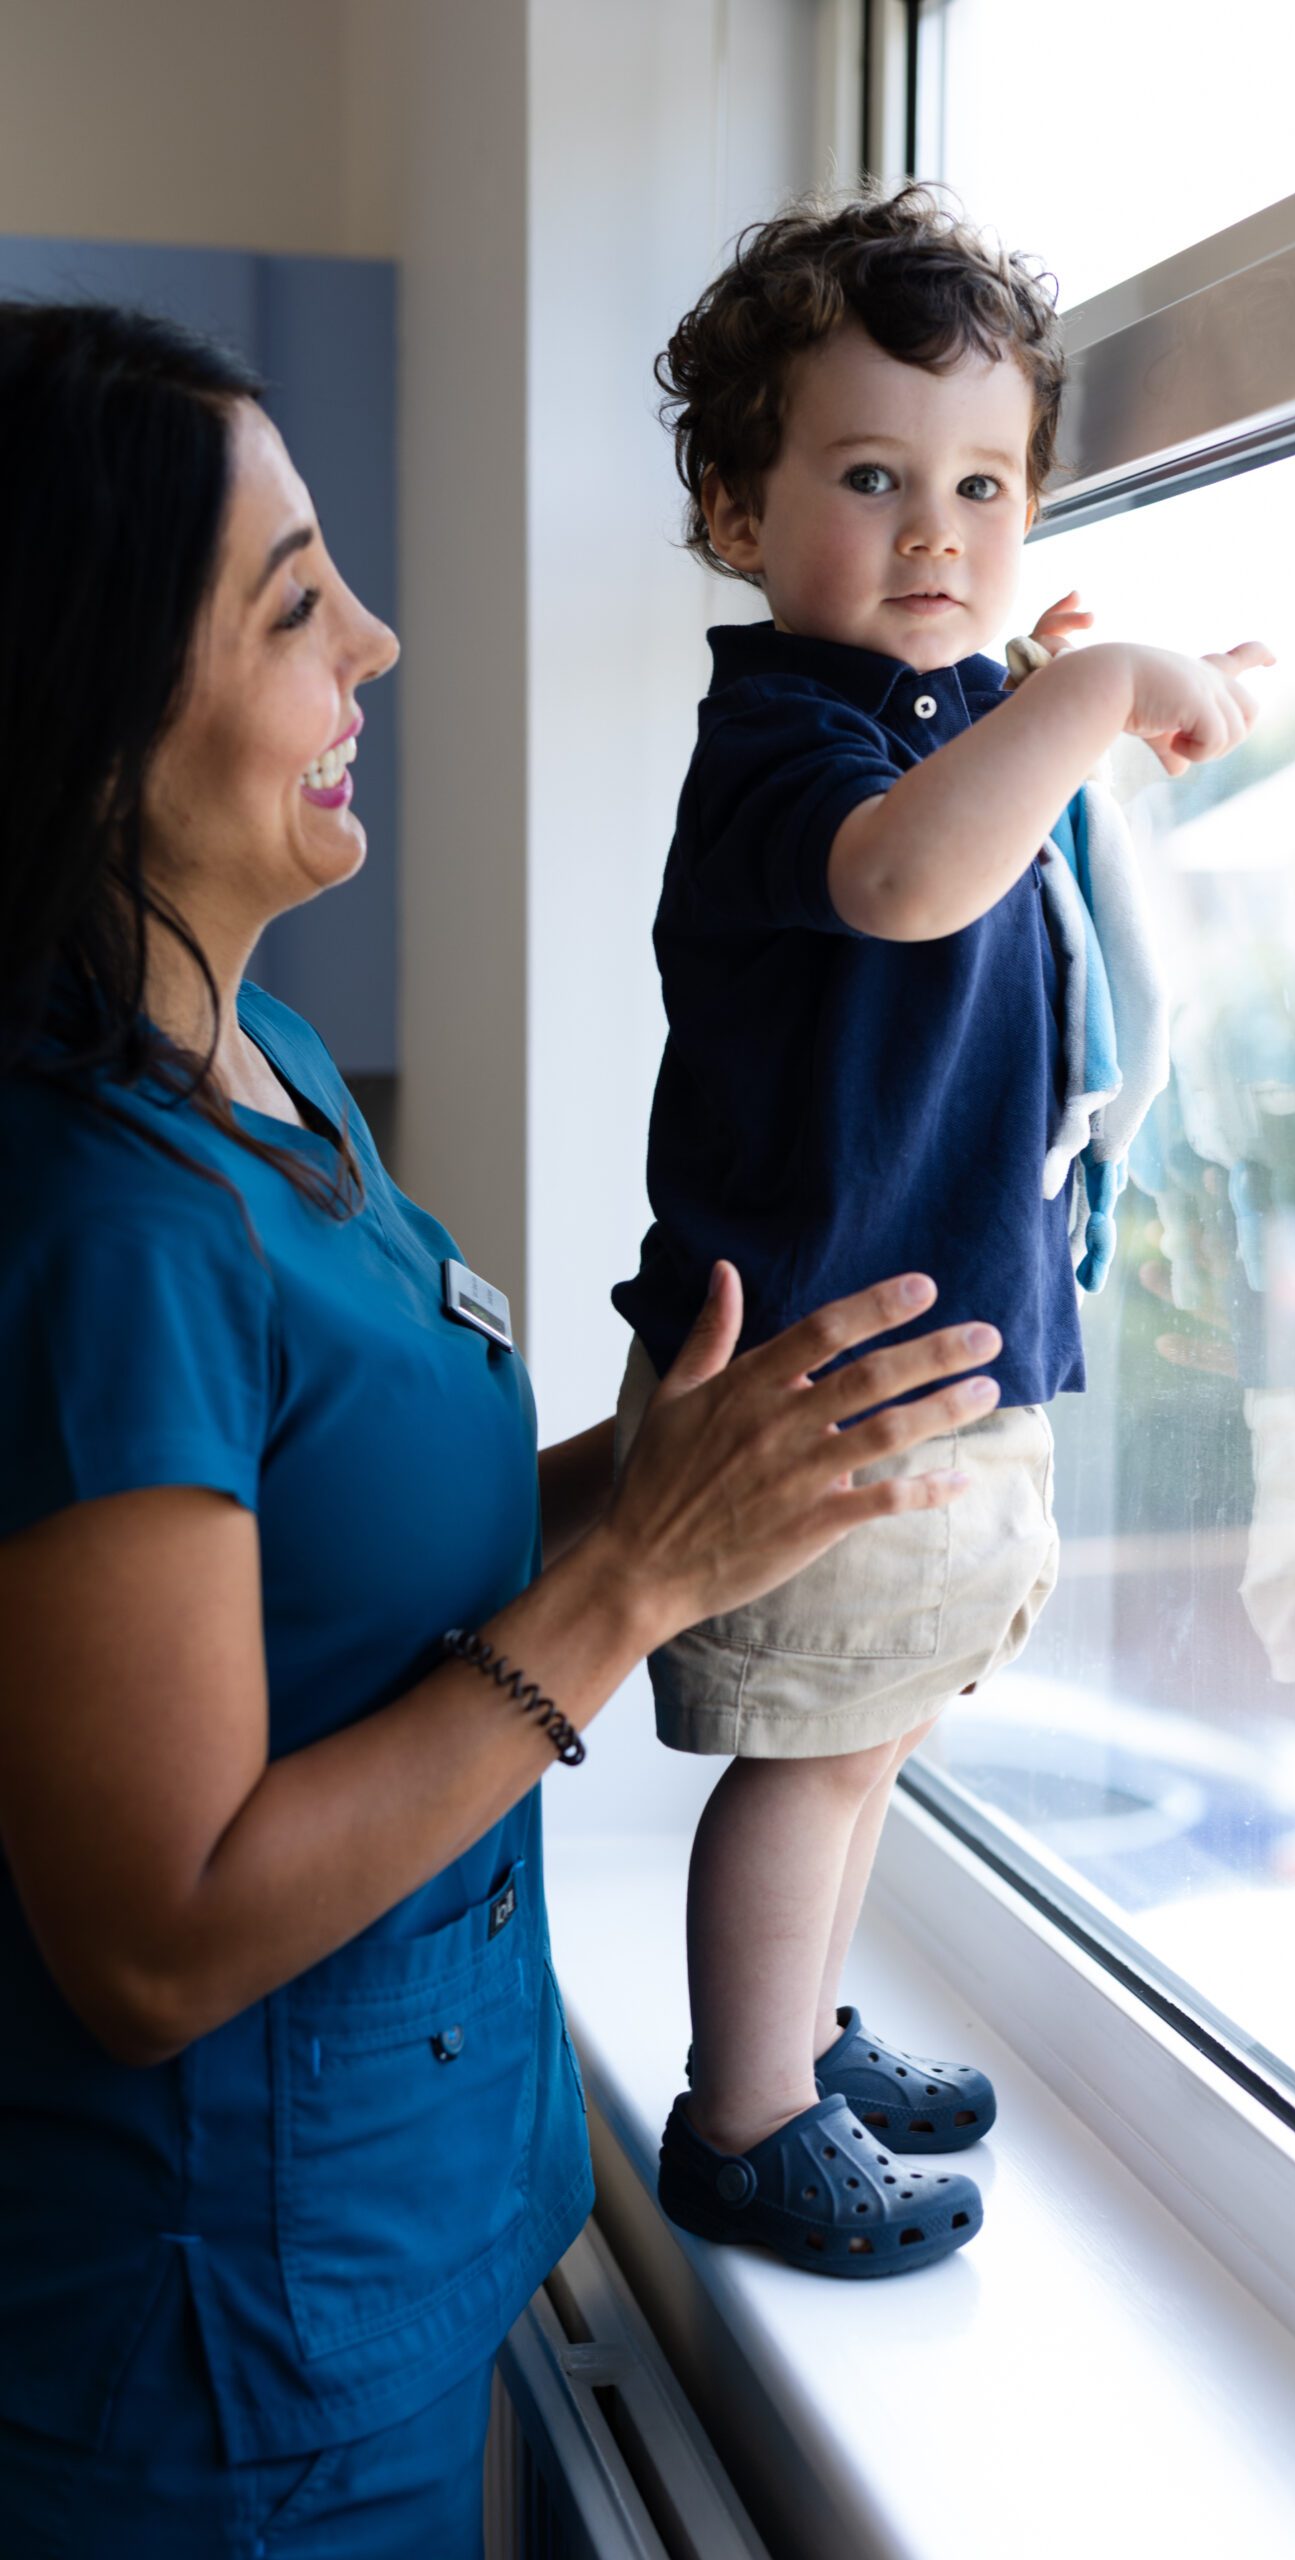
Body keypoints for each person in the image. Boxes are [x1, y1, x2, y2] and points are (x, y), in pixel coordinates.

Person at [0, 299, 1000, 2556]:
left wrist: (670, 1480)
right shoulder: (97, 1222)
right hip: (208, 2392)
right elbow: (153, 1933)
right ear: (81, 708)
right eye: (288, 606)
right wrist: (635, 1577)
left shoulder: (267, 1092)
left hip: (401, 2264)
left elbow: (329, 1577)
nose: (372, 638)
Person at [612, 186, 1272, 2275]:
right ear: (736, 509)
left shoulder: (932, 711)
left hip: (922, 1358)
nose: (934, 535)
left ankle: (794, 2023)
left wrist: (1109, 704)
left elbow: (1023, 815)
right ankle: (743, 2114)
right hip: (809, 1390)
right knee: (807, 1752)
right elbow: (909, 882)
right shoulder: (782, 741)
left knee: (871, 1725)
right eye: (870, 477)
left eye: (984, 486)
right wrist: (1078, 703)